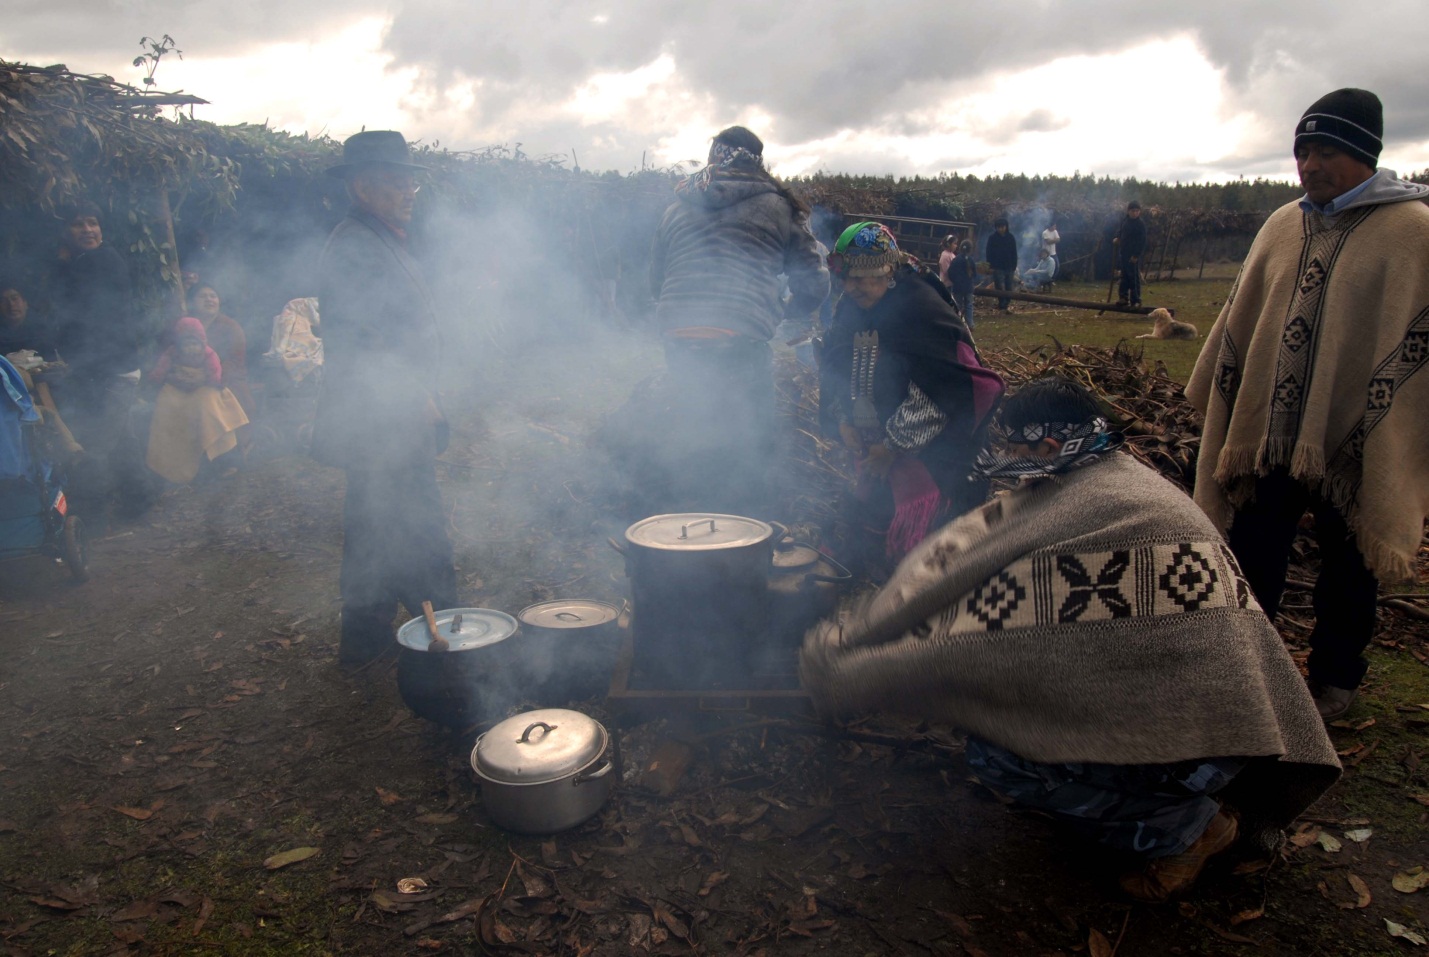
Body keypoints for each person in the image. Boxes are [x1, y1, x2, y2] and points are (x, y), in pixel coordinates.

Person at [801, 376, 1340, 901]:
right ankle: (1164, 800)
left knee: (1000, 756)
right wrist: (866, 630)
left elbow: (1002, 644)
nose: (1004, 456)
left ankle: (1189, 829)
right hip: (1226, 722)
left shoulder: (1102, 509)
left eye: (1012, 444)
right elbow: (960, 560)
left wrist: (860, 671)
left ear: (1050, 444)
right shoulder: (1101, 476)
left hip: (1206, 742)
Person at [1187, 88, 1429, 721]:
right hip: (1267, 431)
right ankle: (1251, 671)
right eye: (1303, 152)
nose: (1311, 165)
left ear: (1364, 154)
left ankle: (1334, 682)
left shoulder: (1411, 231)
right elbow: (1246, 319)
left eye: (1327, 151)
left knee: (1350, 567)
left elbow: (1415, 339)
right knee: (1254, 551)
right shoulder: (1283, 224)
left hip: (1354, 438)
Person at [313, 130, 458, 665]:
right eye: (396, 180)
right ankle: (448, 628)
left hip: (384, 408)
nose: (410, 189)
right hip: (380, 411)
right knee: (412, 520)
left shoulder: (379, 237)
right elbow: (363, 337)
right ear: (362, 187)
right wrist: (413, 392)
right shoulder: (355, 245)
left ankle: (367, 640)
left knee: (374, 521)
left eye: (410, 179)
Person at [645, 125, 829, 517]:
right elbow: (814, 281)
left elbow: (656, 282)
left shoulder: (678, 204)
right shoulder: (779, 206)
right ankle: (744, 521)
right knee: (752, 435)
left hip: (678, 333)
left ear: (714, 156)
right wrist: (785, 313)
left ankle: (687, 512)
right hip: (738, 336)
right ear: (756, 162)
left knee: (694, 418)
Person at [820, 222, 1004, 576]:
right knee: (865, 531)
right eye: (845, 279)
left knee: (930, 557)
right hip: (874, 453)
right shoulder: (850, 306)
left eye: (860, 278)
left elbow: (959, 387)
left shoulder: (920, 308)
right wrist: (843, 417)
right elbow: (835, 362)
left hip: (931, 457)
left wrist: (892, 446)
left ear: (887, 271)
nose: (850, 287)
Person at [144, 316, 248, 484]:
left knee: (208, 407)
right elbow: (161, 368)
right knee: (166, 404)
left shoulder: (214, 346)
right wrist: (156, 379)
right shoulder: (173, 352)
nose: (191, 348)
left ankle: (224, 461)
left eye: (195, 344)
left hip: (206, 384)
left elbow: (217, 369)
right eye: (187, 344)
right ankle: (168, 467)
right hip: (177, 385)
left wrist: (214, 381)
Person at [187, 283, 255, 418]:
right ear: (192, 302)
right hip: (188, 379)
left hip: (225, 381)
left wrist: (208, 378)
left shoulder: (231, 327)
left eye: (213, 296)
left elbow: (235, 362)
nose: (209, 300)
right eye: (203, 296)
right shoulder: (185, 325)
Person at [0, 281, 57, 360]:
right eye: (4, 301)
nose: (11, 304)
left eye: (15, 298)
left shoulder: (41, 331)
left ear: (25, 303)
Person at [1116, 201, 1147, 307]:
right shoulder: (1125, 221)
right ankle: (1123, 298)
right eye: (1133, 211)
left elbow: (1142, 241)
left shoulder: (1140, 224)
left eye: (1137, 211)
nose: (1135, 213)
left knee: (1133, 277)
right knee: (1124, 276)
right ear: (1128, 211)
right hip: (1124, 253)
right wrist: (1117, 238)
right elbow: (1120, 232)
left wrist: (1136, 255)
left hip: (1133, 255)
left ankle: (1136, 299)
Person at [985, 218, 1017, 313]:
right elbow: (989, 253)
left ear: (1006, 227)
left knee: (1009, 286)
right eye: (998, 227)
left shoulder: (1011, 237)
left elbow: (1014, 252)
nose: (1000, 229)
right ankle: (1002, 303)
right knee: (999, 286)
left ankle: (1006, 303)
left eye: (1002, 227)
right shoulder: (992, 238)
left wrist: (1014, 265)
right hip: (997, 266)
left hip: (1009, 266)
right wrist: (990, 265)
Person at [947, 240, 978, 329]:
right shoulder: (971, 260)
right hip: (968, 287)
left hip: (958, 287)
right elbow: (975, 274)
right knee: (969, 305)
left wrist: (955, 281)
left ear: (960, 248)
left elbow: (950, 272)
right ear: (970, 250)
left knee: (957, 306)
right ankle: (970, 324)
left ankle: (957, 323)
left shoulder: (955, 260)